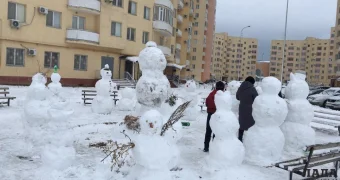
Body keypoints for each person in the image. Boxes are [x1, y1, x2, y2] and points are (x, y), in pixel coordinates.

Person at [203, 81, 225, 152]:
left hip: (210, 114)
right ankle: (215, 148)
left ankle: (206, 147)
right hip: (219, 115)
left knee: (208, 131)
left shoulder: (211, 94)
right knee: (217, 132)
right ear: (223, 88)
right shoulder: (222, 95)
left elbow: (207, 103)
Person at [236, 76, 258, 142]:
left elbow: (237, 97)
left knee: (241, 124)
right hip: (250, 109)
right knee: (251, 125)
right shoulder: (252, 88)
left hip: (242, 108)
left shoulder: (240, 88)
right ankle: (250, 141)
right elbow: (256, 99)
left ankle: (240, 138)